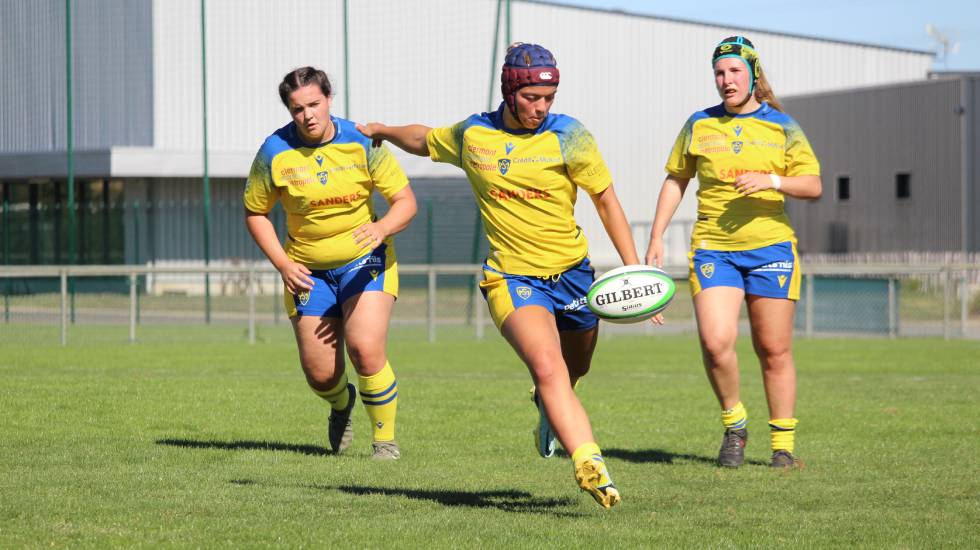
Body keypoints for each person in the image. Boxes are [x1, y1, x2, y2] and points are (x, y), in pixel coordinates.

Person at [357, 43, 650, 508]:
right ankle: (589, 463)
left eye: (548, 98)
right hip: (512, 279)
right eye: (532, 97)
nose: (541, 107)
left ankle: (549, 409)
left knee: (575, 369)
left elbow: (606, 201)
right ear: (509, 92)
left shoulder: (570, 135)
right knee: (548, 367)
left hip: (573, 274)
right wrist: (382, 131)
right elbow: (424, 139)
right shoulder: (474, 135)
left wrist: (634, 268)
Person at [645, 36, 822, 469]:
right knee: (715, 342)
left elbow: (813, 185)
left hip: (771, 248)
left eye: (735, 71)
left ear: (753, 74)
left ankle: (783, 447)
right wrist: (656, 236)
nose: (726, 80)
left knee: (773, 349)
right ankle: (735, 426)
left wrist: (772, 181)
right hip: (714, 250)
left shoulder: (782, 125)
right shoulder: (699, 124)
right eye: (720, 73)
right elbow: (676, 180)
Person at [244, 67, 417, 460]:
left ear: (329, 99)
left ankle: (385, 444)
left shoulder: (362, 141)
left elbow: (406, 202)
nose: (308, 115)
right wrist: (283, 265)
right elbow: (255, 212)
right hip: (308, 272)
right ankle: (341, 403)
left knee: (364, 348)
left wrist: (382, 228)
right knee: (321, 375)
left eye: (314, 104)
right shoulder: (273, 151)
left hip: (365, 261)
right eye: (297, 108)